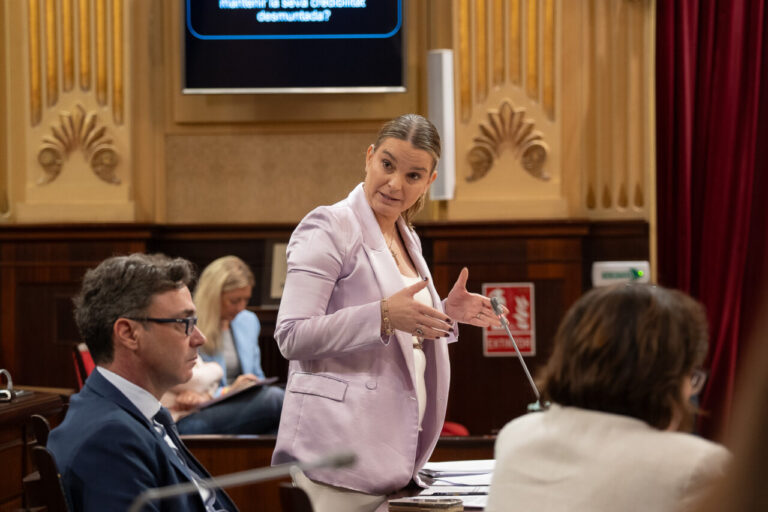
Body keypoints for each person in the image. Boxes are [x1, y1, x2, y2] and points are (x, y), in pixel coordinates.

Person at [271, 113, 505, 512]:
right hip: (336, 451)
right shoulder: (329, 225)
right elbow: (291, 335)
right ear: (369, 157)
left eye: (413, 176)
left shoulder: (406, 235)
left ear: (429, 182)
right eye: (387, 165)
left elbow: (404, 328)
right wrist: (381, 315)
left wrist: (445, 312)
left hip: (393, 452)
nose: (396, 183)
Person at [485, 283, 731, 512]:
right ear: (666, 377)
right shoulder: (698, 466)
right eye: (691, 375)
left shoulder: (517, 435)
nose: (690, 391)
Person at [47, 253, 238, 511]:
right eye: (184, 323)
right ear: (129, 334)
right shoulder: (109, 439)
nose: (199, 338)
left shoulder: (137, 414)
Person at [161, 255, 284, 435]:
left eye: (246, 300)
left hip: (243, 404)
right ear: (213, 296)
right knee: (276, 401)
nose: (241, 307)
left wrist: (251, 384)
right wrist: (227, 391)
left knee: (288, 403)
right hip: (200, 410)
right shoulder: (190, 326)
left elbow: (257, 374)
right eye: (234, 301)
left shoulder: (248, 321)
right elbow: (188, 384)